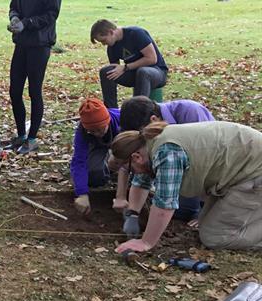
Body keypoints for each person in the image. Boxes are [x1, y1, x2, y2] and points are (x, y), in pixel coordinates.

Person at [111, 121, 262, 254]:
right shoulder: (148, 143)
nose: (133, 173)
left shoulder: (167, 153)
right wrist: (133, 215)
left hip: (253, 171)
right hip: (237, 169)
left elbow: (165, 204)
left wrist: (146, 242)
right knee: (204, 225)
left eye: (130, 169)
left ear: (136, 158)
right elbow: (141, 181)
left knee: (214, 238)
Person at [114, 96, 216, 228]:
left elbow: (208, 162)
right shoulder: (146, 131)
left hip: (206, 169)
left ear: (154, 120)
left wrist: (206, 212)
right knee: (180, 211)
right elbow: (140, 166)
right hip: (176, 169)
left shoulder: (190, 112)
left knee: (187, 212)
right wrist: (132, 212)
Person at [6, 0, 62, 154]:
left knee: (34, 90)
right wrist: (14, 18)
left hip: (40, 44)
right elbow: (14, 7)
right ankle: (21, 134)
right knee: (14, 90)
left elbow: (51, 14)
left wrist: (27, 23)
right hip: (21, 42)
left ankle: (32, 138)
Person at [90, 19, 168, 109]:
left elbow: (152, 59)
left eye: (103, 40)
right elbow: (115, 69)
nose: (104, 44)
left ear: (111, 32)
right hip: (134, 73)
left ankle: (138, 111)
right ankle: (112, 111)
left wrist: (126, 67)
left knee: (143, 72)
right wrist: (119, 70)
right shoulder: (112, 47)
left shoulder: (136, 34)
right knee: (106, 72)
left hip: (157, 72)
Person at [69, 98, 125, 216]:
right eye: (92, 131)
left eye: (100, 129)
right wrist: (82, 193)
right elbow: (79, 161)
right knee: (94, 175)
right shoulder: (83, 132)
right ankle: (106, 167)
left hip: (121, 141)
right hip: (97, 146)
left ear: (108, 120)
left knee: (125, 164)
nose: (98, 133)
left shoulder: (122, 119)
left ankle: (111, 160)